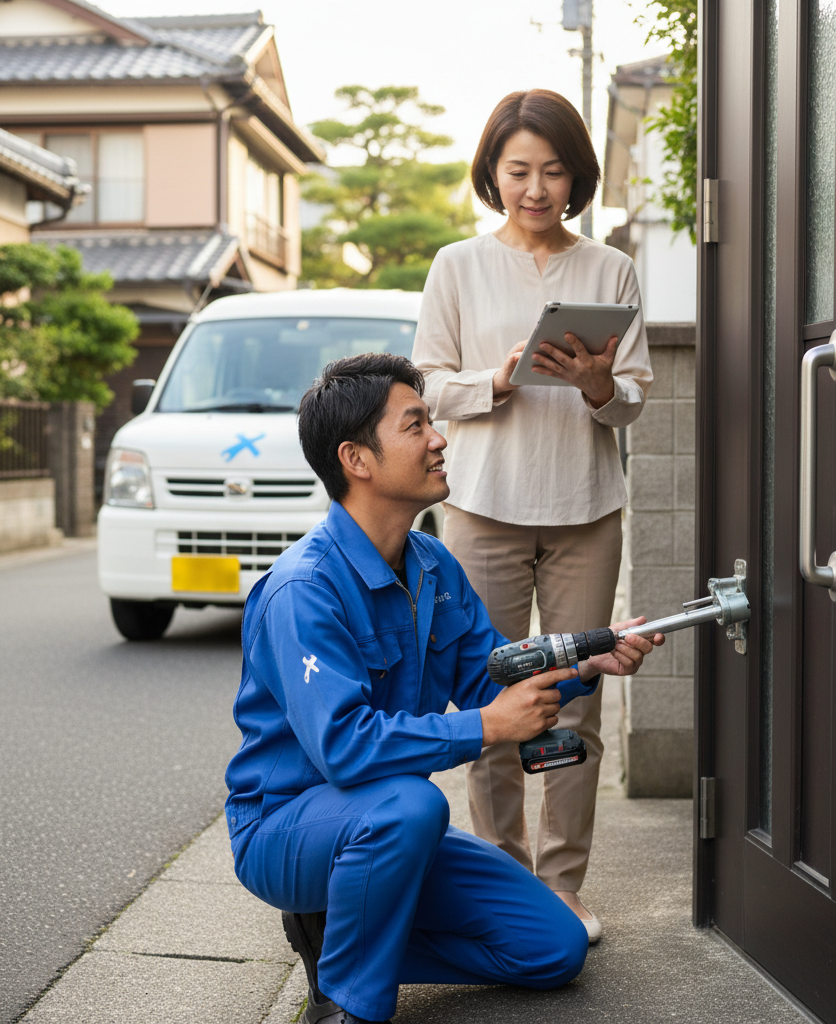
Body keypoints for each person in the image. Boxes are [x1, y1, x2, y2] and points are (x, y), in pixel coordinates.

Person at [223, 354, 661, 1024]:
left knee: (555, 949)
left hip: (382, 826)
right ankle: (346, 1005)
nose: (439, 438)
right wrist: (489, 728)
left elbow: (488, 673)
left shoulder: (431, 563)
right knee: (411, 804)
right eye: (416, 424)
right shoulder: (303, 590)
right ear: (357, 460)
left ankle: (343, 940)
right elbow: (344, 749)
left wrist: (589, 661)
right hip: (287, 830)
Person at [412, 89, 653, 942]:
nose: (536, 187)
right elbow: (429, 385)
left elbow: (631, 404)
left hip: (587, 508)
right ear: (493, 173)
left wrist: (596, 383)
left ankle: (563, 887)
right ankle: (503, 879)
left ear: (576, 176)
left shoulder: (611, 268)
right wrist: (503, 377)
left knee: (578, 696)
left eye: (553, 170)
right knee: (497, 694)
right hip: (483, 508)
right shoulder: (458, 265)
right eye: (518, 170)